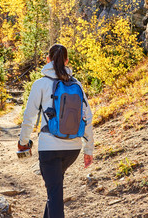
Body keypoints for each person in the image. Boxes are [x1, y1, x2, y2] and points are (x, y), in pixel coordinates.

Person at [18, 44, 94, 218]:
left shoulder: (40, 84)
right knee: (55, 190)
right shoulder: (76, 84)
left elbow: (29, 116)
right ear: (67, 61)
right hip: (72, 149)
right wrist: (88, 149)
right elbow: (87, 117)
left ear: (47, 60)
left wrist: (23, 143)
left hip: (49, 149)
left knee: (54, 193)